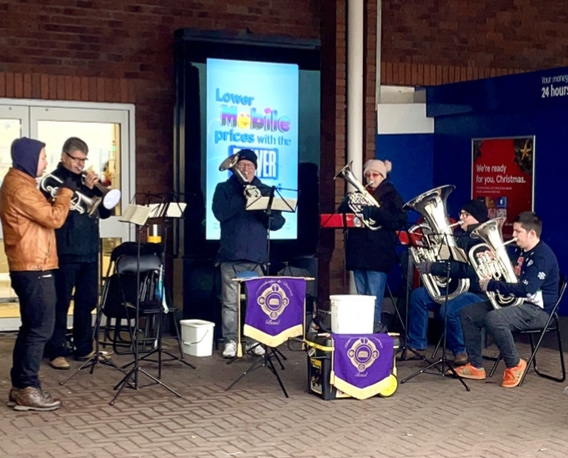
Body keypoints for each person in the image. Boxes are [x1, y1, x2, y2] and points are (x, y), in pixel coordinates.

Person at [0, 137, 73, 410]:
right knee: (41, 328)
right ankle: (28, 388)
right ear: (30, 158)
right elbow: (54, 218)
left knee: (31, 328)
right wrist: (65, 195)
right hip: (34, 267)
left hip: (33, 265)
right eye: (43, 157)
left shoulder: (21, 183)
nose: (45, 161)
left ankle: (21, 386)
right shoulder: (21, 187)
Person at [454, 211, 560, 388]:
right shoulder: (523, 251)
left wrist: (493, 284)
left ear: (531, 234)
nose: (513, 235)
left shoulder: (542, 257)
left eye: (518, 232)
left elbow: (527, 289)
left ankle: (515, 364)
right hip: (519, 304)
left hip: (539, 311)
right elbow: (513, 278)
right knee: (468, 313)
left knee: (495, 318)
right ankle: (475, 366)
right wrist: (492, 262)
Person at [41, 137, 112, 370]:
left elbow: (103, 214)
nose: (81, 164)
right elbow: (55, 211)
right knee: (60, 303)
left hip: (89, 252)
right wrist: (84, 187)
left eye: (84, 159)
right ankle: (55, 351)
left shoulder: (86, 181)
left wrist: (102, 194)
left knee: (87, 302)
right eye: (76, 159)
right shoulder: (54, 180)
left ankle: (84, 348)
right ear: (64, 157)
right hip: (65, 252)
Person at [212, 149, 285, 358]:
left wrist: (263, 209)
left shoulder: (265, 189)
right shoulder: (224, 189)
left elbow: (278, 223)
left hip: (257, 256)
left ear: (256, 168)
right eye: (241, 166)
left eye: (249, 166)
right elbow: (220, 214)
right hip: (230, 255)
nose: (245, 169)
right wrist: (242, 194)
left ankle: (254, 341)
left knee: (257, 303)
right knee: (230, 303)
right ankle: (231, 341)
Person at [406, 198, 489, 365]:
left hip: (475, 292)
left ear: (476, 218)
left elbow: (471, 271)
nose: (461, 217)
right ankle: (417, 346)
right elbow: (448, 262)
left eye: (466, 214)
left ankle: (461, 351)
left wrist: (434, 268)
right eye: (462, 213)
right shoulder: (457, 237)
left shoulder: (482, 241)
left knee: (448, 309)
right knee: (418, 296)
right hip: (453, 288)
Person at [338, 159, 406, 333]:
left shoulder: (392, 195)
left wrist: (376, 211)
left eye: (375, 175)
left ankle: (373, 334)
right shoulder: (359, 193)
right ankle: (362, 332)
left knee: (373, 300)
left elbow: (399, 220)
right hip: (358, 253)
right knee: (362, 299)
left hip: (378, 254)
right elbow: (341, 216)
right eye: (368, 174)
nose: (371, 178)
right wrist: (347, 204)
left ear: (383, 176)